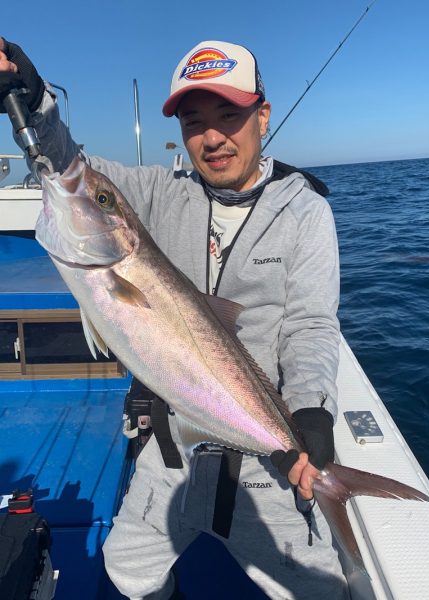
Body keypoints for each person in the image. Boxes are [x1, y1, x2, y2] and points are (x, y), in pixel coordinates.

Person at [0, 38, 346, 599]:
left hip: (266, 454)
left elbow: (310, 324)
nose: (212, 138)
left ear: (262, 115)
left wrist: (310, 411)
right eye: (193, 121)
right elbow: (72, 167)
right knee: (128, 572)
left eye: (229, 115)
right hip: (171, 447)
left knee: (319, 589)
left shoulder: (304, 209)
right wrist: (33, 100)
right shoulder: (161, 191)